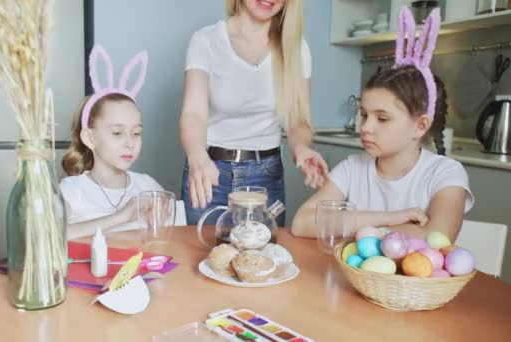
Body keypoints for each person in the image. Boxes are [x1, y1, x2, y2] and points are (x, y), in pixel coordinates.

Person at [291, 8, 473, 242]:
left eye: (382, 118)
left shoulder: (445, 174)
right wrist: (390, 217)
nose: (366, 127)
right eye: (364, 115)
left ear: (420, 126)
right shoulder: (352, 168)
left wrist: (355, 227)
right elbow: (302, 223)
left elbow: (436, 239)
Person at [179, 0, 328, 226]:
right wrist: (196, 155)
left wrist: (301, 147)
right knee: (201, 256)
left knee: (263, 258)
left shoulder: (296, 48)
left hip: (265, 175)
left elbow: (298, 120)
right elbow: (193, 112)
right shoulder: (206, 40)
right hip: (209, 170)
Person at [60, 45, 163, 240]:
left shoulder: (148, 186)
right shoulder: (71, 190)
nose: (129, 143)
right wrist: (121, 216)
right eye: (117, 133)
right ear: (89, 138)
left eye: (136, 133)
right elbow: (51, 237)